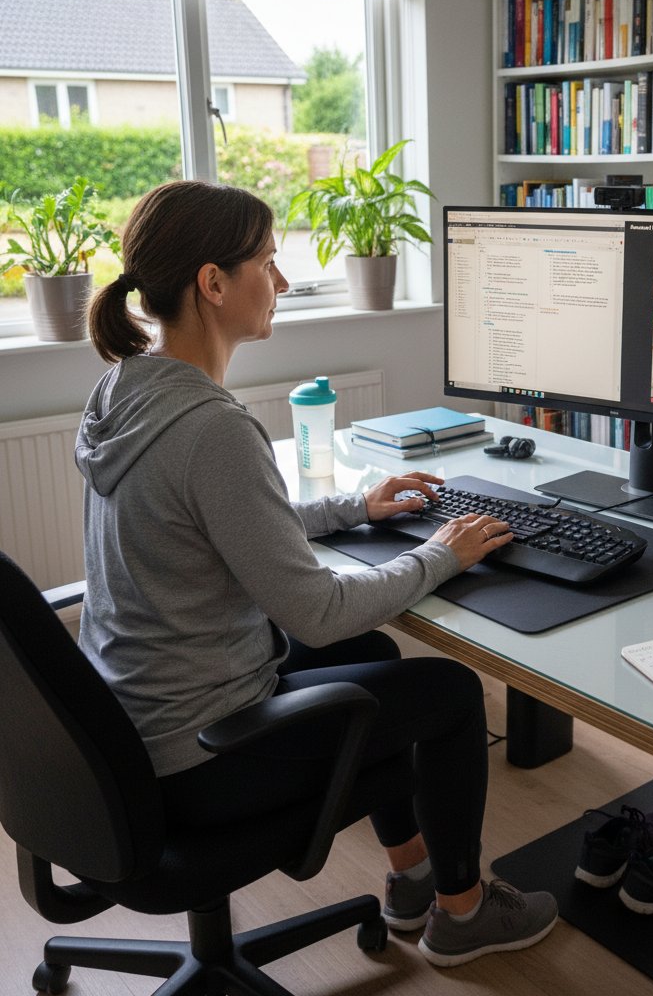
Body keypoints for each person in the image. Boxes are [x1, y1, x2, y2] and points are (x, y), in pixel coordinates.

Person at [75, 179, 557, 967]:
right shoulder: (210, 428)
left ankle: (411, 880)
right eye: (268, 262)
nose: (283, 280)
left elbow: (222, 526)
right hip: (200, 754)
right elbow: (320, 611)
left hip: (137, 723)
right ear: (213, 283)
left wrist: (355, 508)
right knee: (450, 692)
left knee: (373, 667)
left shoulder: (125, 391)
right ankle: (463, 916)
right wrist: (442, 554)